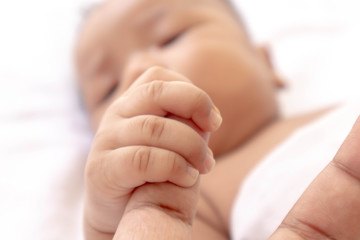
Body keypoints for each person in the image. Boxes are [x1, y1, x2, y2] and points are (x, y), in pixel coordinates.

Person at [75, 0, 360, 239]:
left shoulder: (344, 112)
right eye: (108, 89)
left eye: (170, 37)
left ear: (265, 62)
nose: (139, 71)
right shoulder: (191, 202)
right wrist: (109, 225)